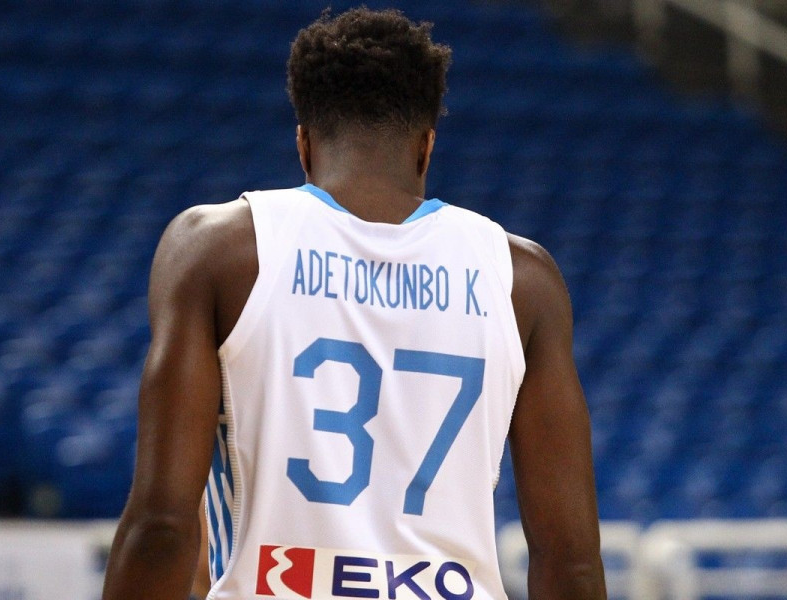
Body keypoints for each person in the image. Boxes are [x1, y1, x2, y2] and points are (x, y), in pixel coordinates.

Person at [102, 7, 605, 600]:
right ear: (426, 148)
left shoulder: (217, 249)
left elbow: (162, 529)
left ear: (303, 144)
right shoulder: (523, 279)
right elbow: (570, 564)